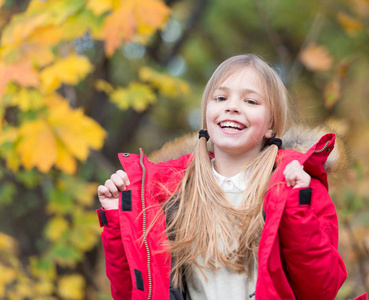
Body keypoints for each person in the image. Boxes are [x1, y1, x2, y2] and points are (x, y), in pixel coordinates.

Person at [97, 54, 351, 300]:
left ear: (271, 124)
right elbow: (132, 292)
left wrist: (298, 207)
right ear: (206, 114)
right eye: (220, 97)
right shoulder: (169, 193)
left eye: (251, 102)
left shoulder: (296, 186)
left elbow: (320, 290)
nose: (232, 107)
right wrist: (118, 220)